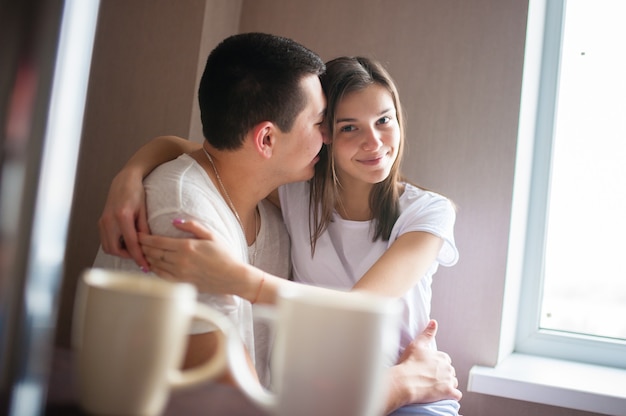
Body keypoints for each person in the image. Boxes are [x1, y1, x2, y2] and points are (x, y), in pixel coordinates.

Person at [98, 53, 462, 414]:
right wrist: (129, 176)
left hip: (408, 389)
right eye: (349, 127)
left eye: (384, 120)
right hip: (320, 393)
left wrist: (236, 279)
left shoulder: (427, 213)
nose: (374, 141)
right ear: (326, 136)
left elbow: (356, 311)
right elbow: (207, 153)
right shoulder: (295, 193)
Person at [92, 32, 327, 384]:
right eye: (319, 123)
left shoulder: (278, 216)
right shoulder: (183, 217)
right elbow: (232, 401)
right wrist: (399, 387)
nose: (328, 136)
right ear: (266, 139)